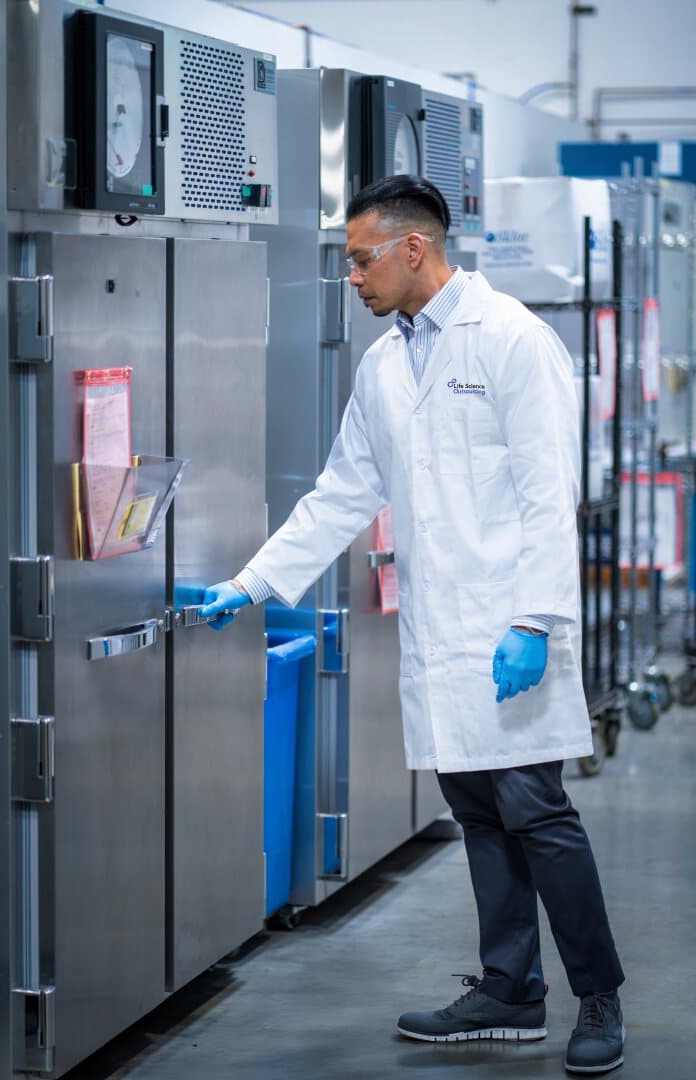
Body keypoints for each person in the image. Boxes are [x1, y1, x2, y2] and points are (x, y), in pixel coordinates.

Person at [200, 175, 625, 1075]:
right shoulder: (385, 362)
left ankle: (599, 995)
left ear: (413, 249)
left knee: (536, 812)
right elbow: (343, 491)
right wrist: (254, 582)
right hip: (444, 632)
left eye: (360, 260)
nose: (351, 277)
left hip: (513, 627)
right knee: (477, 812)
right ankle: (510, 989)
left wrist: (539, 621)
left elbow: (555, 495)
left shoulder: (511, 338)